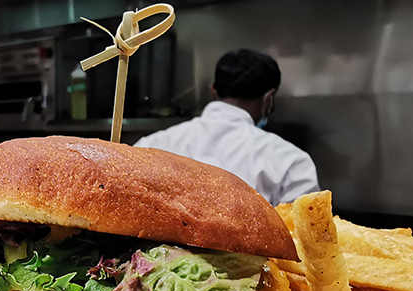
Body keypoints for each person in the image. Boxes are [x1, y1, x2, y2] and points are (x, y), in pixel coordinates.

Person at [134, 49, 319, 206]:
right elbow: (304, 238)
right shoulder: (292, 162)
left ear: (213, 89)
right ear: (268, 99)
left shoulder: (149, 146)